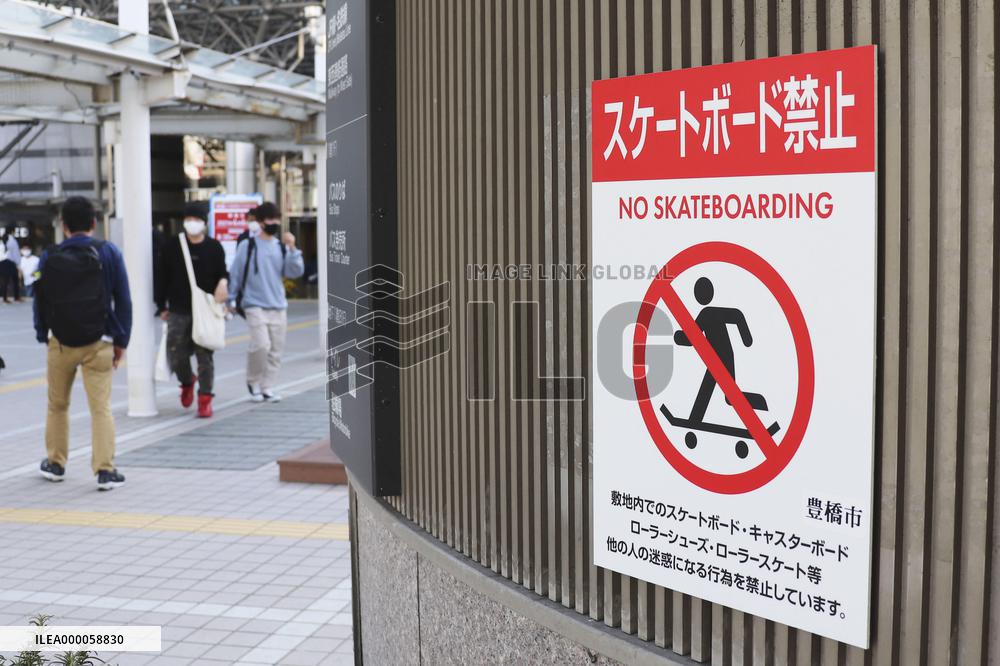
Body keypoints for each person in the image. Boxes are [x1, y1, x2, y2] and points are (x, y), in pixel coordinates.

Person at [33, 196, 131, 491]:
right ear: (93, 223)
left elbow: (39, 298)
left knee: (57, 405)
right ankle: (105, 471)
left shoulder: (49, 256)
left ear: (63, 226)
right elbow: (123, 300)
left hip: (60, 342)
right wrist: (121, 341)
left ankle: (55, 464)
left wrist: (43, 334)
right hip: (98, 341)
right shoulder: (108, 252)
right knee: (100, 408)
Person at [155, 201, 228, 418]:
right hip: (178, 309)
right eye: (188, 219)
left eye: (196, 219)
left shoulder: (214, 247)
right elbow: (161, 277)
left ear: (204, 223)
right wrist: (161, 305)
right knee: (176, 353)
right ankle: (187, 381)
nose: (192, 223)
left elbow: (222, 273)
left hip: (205, 310)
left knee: (204, 356)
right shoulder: (171, 247)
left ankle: (205, 399)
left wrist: (224, 282)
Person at [228, 201, 304, 403]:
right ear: (261, 222)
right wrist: (230, 299)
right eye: (270, 219)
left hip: (278, 305)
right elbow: (236, 274)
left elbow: (294, 272)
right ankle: (253, 381)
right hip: (254, 304)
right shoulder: (248, 246)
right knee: (261, 345)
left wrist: (292, 248)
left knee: (276, 350)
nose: (274, 223)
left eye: (277, 219)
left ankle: (267, 387)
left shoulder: (281, 247)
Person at [0, 226, 21, 303]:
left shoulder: (3, 239)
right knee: (15, 279)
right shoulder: (12, 240)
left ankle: (5, 298)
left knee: (4, 281)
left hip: (2, 262)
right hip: (10, 262)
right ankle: (16, 297)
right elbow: (15, 253)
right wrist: (18, 263)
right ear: (12, 231)